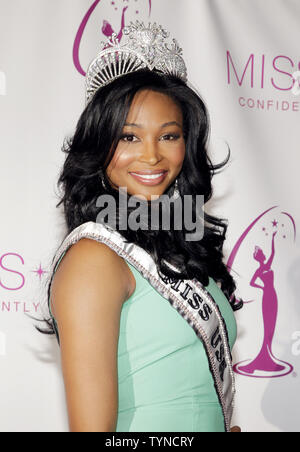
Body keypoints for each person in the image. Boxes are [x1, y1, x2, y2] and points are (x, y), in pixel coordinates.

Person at [43, 20, 243, 433]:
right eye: (129, 138)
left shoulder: (182, 243)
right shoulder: (93, 259)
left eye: (169, 136)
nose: (151, 157)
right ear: (99, 145)